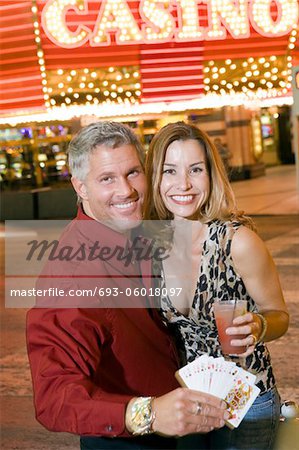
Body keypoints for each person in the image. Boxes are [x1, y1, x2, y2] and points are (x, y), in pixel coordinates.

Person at [26, 121, 228, 450]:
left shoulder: (136, 230)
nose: (127, 190)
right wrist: (145, 414)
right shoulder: (73, 273)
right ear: (81, 187)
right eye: (107, 178)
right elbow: (53, 397)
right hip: (128, 439)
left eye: (133, 172)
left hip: (185, 421)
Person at [144, 121, 289, 449]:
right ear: (155, 177)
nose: (183, 184)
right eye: (169, 171)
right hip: (189, 402)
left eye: (195, 169)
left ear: (211, 174)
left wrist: (259, 325)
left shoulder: (238, 241)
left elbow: (279, 314)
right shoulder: (150, 244)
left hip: (246, 401)